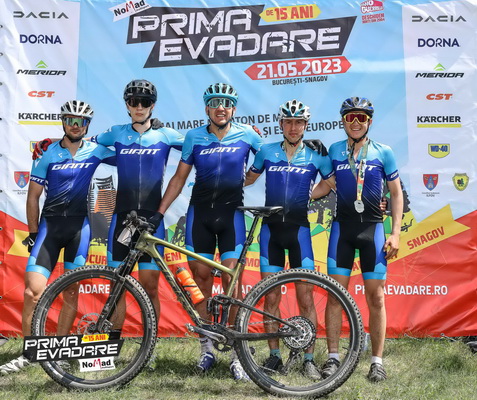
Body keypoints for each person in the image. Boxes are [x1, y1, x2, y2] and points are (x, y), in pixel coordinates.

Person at [32, 80, 184, 330]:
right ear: (127, 105)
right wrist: (49, 141)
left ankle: (152, 343)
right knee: (117, 285)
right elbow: (80, 140)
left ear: (152, 106)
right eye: (134, 102)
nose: (139, 107)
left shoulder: (165, 135)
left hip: (152, 220)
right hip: (121, 219)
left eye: (144, 102)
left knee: (150, 286)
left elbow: (201, 142)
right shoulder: (115, 133)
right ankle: (112, 342)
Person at [150, 83, 262, 380]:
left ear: (233, 108)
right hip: (200, 215)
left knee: (232, 280)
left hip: (232, 216)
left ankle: (238, 352)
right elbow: (179, 178)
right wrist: (159, 212)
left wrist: (306, 145)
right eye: (214, 102)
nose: (220, 107)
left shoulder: (248, 135)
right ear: (207, 108)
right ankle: (207, 347)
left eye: (226, 103)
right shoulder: (194, 136)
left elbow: (274, 157)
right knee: (200, 280)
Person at [0, 101, 115, 374]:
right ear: (63, 122)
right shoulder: (47, 153)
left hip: (79, 230)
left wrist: (149, 130)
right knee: (32, 292)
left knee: (71, 291)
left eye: (81, 121)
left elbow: (128, 152)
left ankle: (60, 352)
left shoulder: (96, 150)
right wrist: (32, 233)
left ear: (87, 125)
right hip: (49, 229)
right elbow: (33, 196)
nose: (75, 125)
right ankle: (30, 352)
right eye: (70, 120)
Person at [244, 99, 334, 379]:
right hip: (270, 233)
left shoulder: (317, 155)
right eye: (288, 122)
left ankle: (308, 358)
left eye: (299, 122)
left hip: (299, 233)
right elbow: (248, 179)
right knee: (270, 297)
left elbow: (333, 183)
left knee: (305, 298)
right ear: (281, 124)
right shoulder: (267, 151)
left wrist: (310, 195)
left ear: (306, 125)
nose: (293, 127)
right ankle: (274, 357)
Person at [318, 97, 403, 383]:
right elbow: (326, 184)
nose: (355, 123)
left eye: (361, 118)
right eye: (350, 117)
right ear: (343, 121)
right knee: (334, 295)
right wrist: (299, 199)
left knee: (376, 297)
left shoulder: (383, 151)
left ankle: (377, 362)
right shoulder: (334, 150)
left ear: (370, 121)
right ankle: (333, 357)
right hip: (341, 230)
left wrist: (395, 233)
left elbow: (396, 193)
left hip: (373, 230)